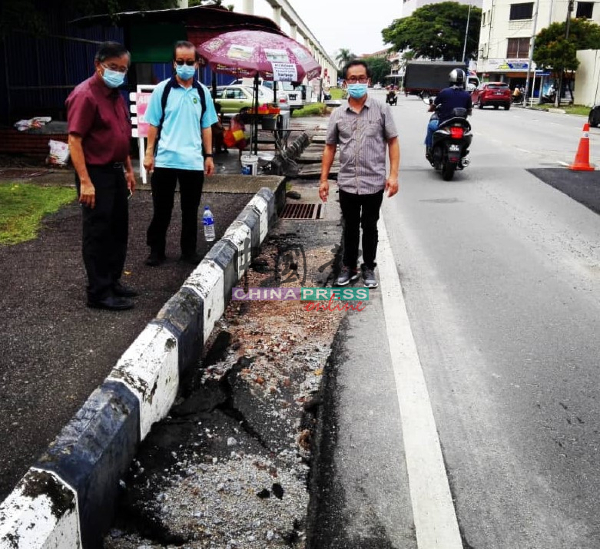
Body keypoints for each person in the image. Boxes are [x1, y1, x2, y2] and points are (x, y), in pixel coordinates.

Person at [66, 41, 137, 311]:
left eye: (123, 68)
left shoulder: (115, 95)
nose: (118, 72)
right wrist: (85, 181)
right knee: (98, 233)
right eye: (113, 67)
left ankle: (113, 282)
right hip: (95, 174)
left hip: (116, 171)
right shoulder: (85, 95)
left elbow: (120, 136)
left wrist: (129, 169)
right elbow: (74, 140)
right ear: (98, 65)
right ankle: (98, 292)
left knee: (118, 229)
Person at [319, 59, 400, 289]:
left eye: (361, 79)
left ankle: (369, 267)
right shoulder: (337, 114)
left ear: (368, 81)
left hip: (374, 182)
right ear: (345, 83)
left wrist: (393, 176)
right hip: (347, 182)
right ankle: (349, 266)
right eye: (352, 79)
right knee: (351, 226)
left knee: (370, 226)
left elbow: (393, 142)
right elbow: (330, 147)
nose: (357, 83)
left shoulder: (382, 110)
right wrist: (323, 179)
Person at [143, 40, 218, 266]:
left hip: (193, 162)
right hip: (165, 160)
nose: (185, 66)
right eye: (180, 62)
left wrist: (208, 156)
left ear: (197, 64)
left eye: (189, 62)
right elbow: (153, 124)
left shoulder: (203, 93)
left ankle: (189, 252)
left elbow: (206, 126)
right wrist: (149, 154)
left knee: (189, 210)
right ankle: (156, 250)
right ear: (173, 63)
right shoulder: (162, 90)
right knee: (162, 210)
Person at [425, 69, 472, 156]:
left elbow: (433, 106)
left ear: (451, 78)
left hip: (444, 124)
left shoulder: (444, 92)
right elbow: (469, 112)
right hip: (461, 126)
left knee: (431, 126)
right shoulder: (467, 95)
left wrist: (430, 109)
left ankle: (429, 149)